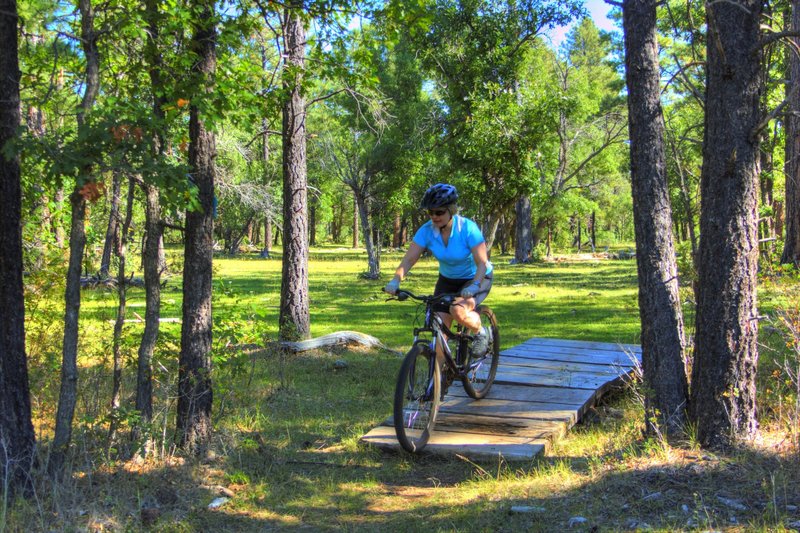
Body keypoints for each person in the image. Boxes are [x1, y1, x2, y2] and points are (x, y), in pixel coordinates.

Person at [384, 183, 494, 356]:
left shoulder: (467, 228)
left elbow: (482, 262)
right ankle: (438, 381)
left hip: (476, 277)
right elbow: (409, 259)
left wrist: (475, 285)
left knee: (458, 310)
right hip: (447, 280)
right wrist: (395, 280)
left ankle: (481, 332)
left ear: (452, 210)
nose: (434, 217)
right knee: (439, 330)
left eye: (439, 212)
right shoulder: (426, 231)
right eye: (431, 212)